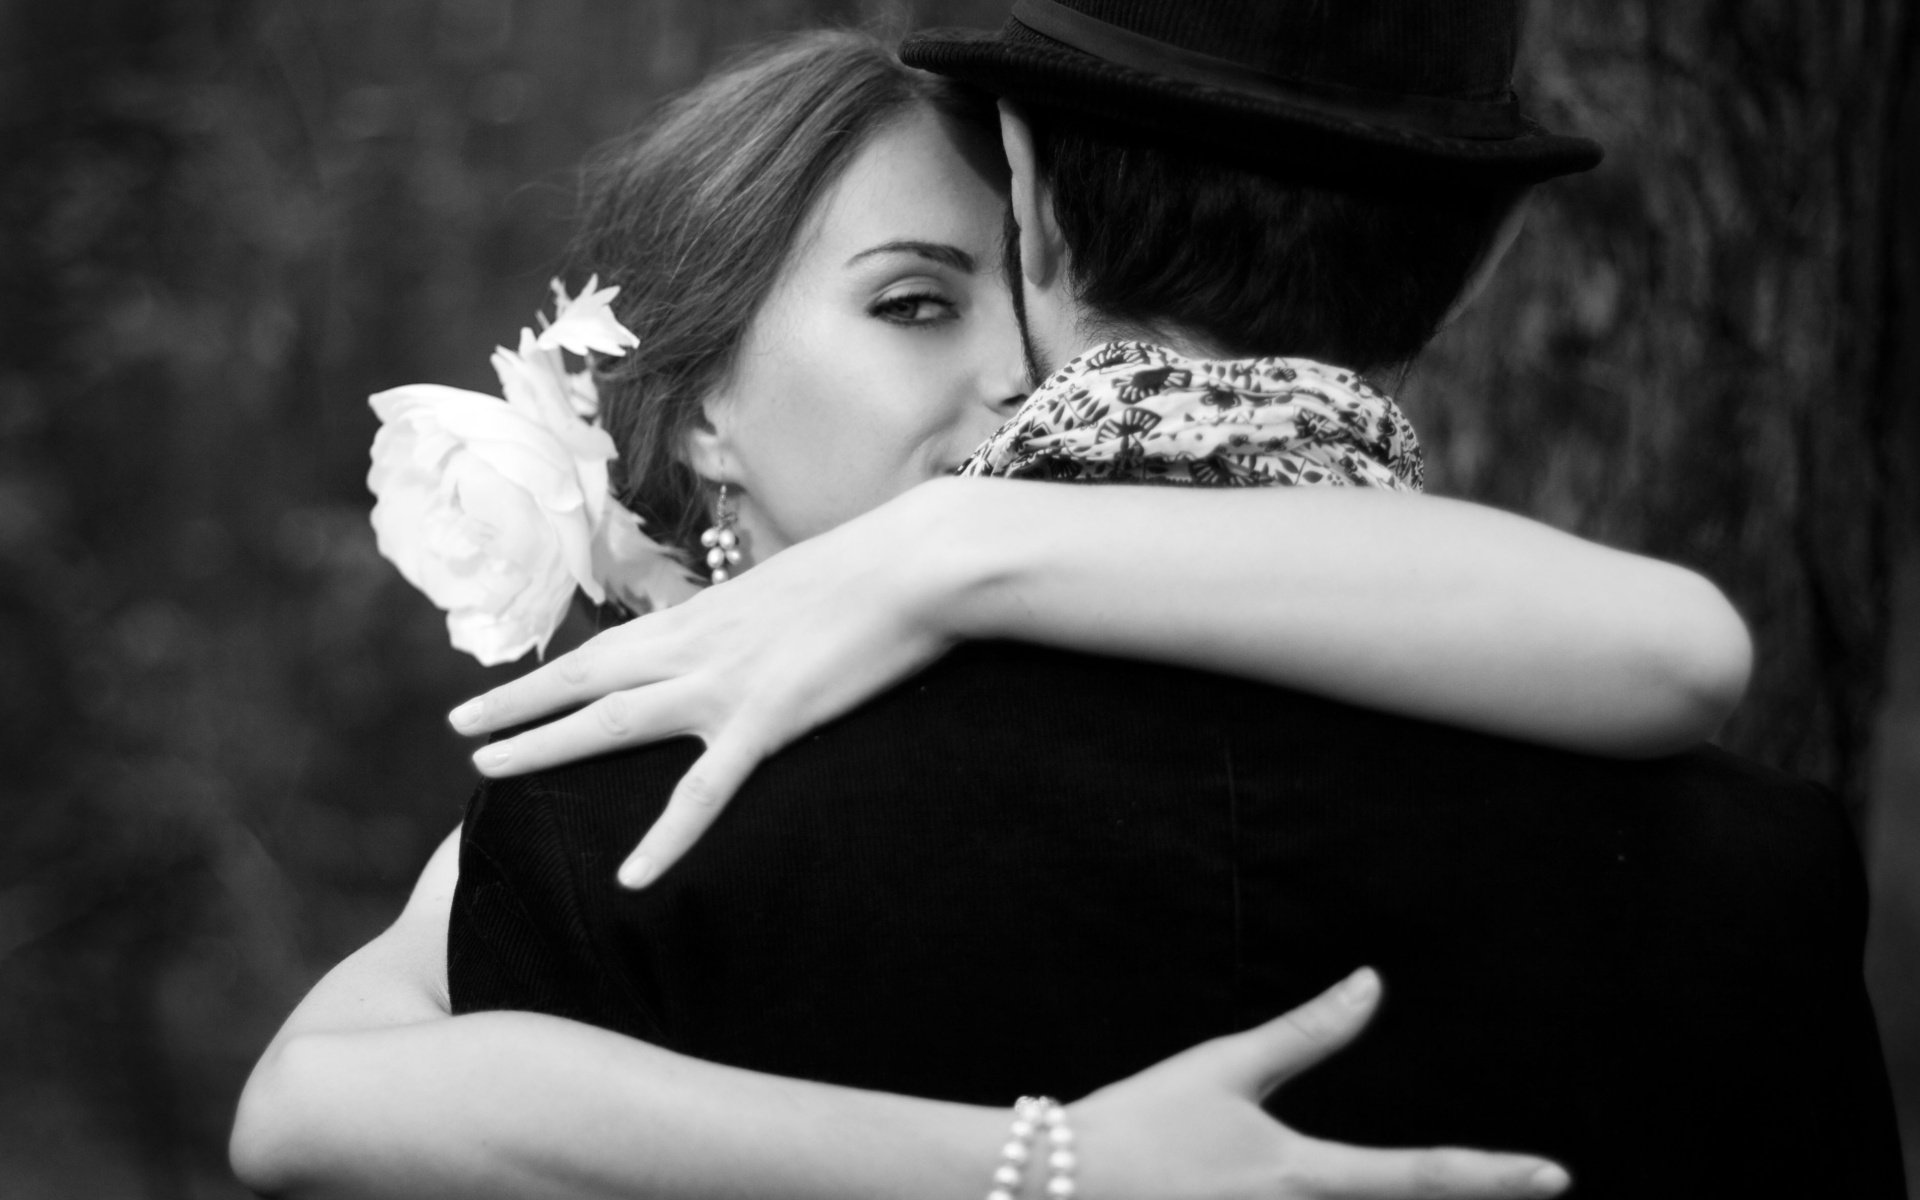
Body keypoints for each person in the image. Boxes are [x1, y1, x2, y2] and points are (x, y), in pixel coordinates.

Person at [230, 8, 1896, 1200]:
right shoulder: (1755, 876)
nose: (1008, 382)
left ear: (1033, 212)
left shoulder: (617, 844)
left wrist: (947, 548)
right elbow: (300, 1108)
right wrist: (1042, 1160)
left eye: (992, 304)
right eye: (907, 304)